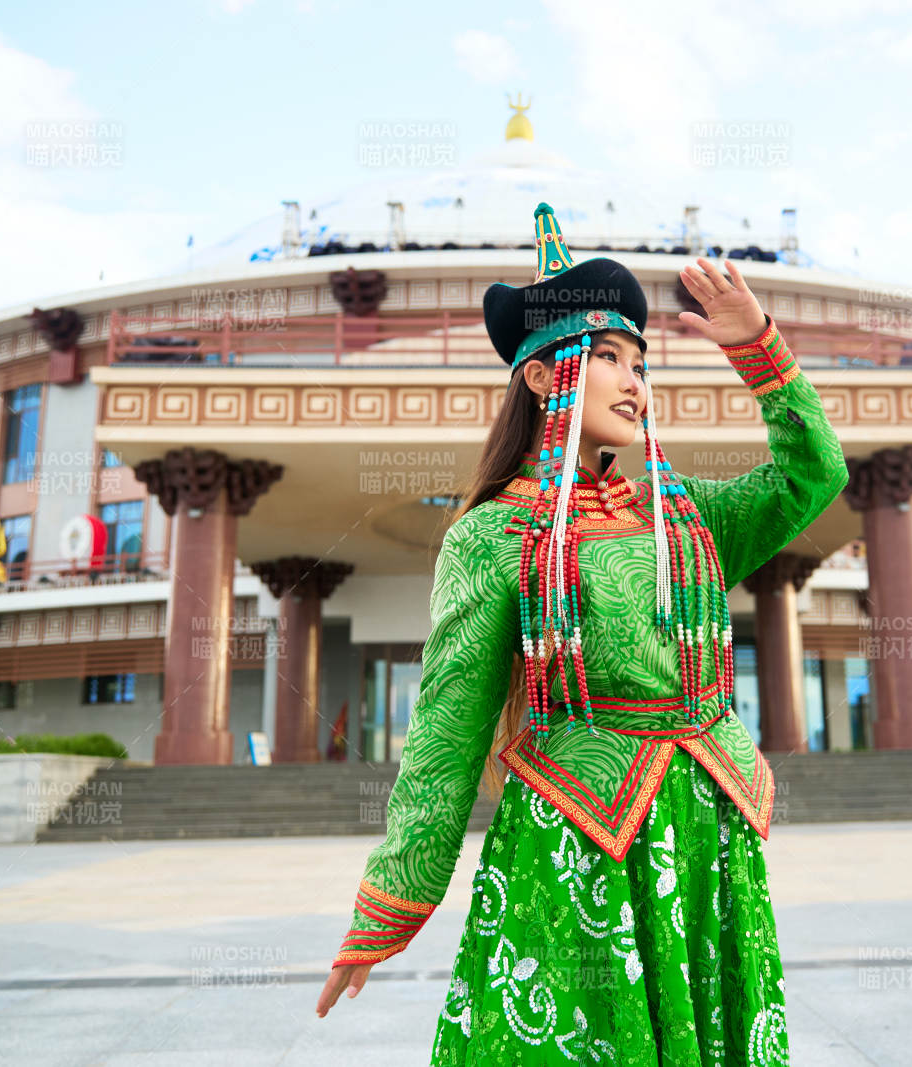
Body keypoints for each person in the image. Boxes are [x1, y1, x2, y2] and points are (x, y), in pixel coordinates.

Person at [315, 202, 850, 1064]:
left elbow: (814, 472)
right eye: (608, 357)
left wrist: (760, 349)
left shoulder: (684, 520)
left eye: (640, 361)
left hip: (709, 840)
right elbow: (447, 735)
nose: (634, 381)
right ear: (539, 375)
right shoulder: (494, 538)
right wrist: (386, 905)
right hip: (577, 845)